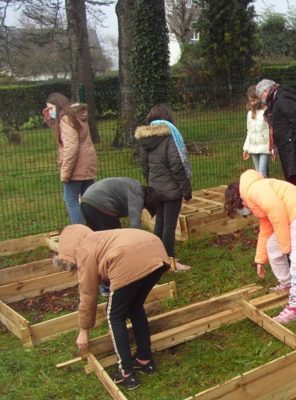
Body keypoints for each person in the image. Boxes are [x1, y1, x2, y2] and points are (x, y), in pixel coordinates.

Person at [52, 224, 170, 390]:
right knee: (135, 306)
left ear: (68, 245)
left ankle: (126, 373)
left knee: (115, 316)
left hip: (128, 259)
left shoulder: (83, 250)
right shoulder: (99, 237)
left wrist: (84, 331)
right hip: (157, 252)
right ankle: (144, 359)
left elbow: (88, 294)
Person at [224, 169, 296, 324]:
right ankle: (287, 284)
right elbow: (266, 230)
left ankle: (295, 309)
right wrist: (260, 260)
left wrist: (286, 246)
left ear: (238, 200)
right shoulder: (254, 197)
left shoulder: (255, 190)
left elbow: (277, 212)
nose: (244, 213)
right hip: (295, 215)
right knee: (272, 246)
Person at [135, 104, 192, 271]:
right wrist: (186, 191)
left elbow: (144, 166)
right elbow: (177, 166)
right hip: (172, 190)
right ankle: (170, 262)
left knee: (159, 223)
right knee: (169, 226)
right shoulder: (169, 138)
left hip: (156, 189)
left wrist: (152, 183)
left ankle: (157, 257)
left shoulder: (145, 140)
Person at [255, 79, 296, 194]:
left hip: (294, 147)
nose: (262, 99)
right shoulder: (277, 98)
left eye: (261, 95)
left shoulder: (283, 98)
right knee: (294, 178)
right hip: (289, 146)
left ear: (266, 90)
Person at [44, 92, 98, 225]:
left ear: (57, 106)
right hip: (87, 164)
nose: (49, 111)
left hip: (76, 167)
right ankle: (94, 231)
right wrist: (50, 120)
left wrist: (66, 173)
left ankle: (80, 234)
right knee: (88, 201)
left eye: (50, 108)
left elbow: (71, 147)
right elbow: (63, 134)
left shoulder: (65, 119)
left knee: (71, 200)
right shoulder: (76, 116)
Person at [81, 177, 159, 231]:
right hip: (101, 204)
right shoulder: (137, 194)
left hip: (85, 201)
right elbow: (135, 224)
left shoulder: (131, 183)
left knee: (100, 237)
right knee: (116, 238)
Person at [243, 85, 272, 178]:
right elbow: (249, 132)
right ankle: (264, 189)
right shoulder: (249, 114)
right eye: (250, 101)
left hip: (264, 146)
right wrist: (246, 148)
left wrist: (272, 147)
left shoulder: (266, 112)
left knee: (262, 172)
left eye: (254, 100)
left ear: (259, 98)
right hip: (253, 147)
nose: (252, 103)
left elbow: (271, 130)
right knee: (257, 172)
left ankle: (264, 191)